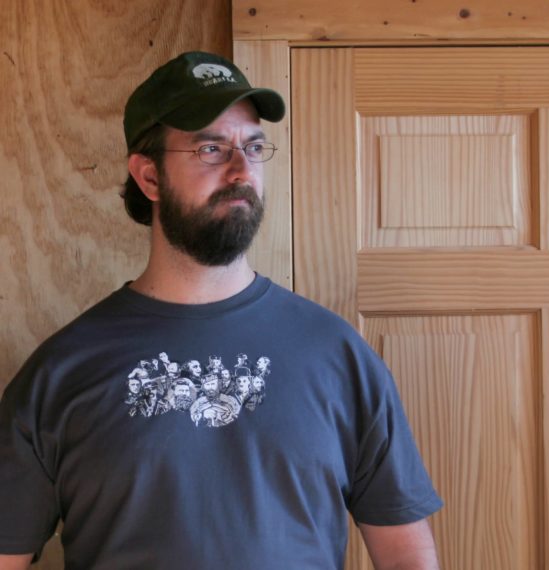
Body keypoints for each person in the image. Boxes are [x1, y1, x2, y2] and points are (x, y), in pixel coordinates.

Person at [0, 51, 442, 569]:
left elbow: (405, 554)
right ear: (149, 177)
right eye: (210, 148)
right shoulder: (61, 371)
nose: (240, 170)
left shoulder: (336, 354)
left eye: (253, 147)